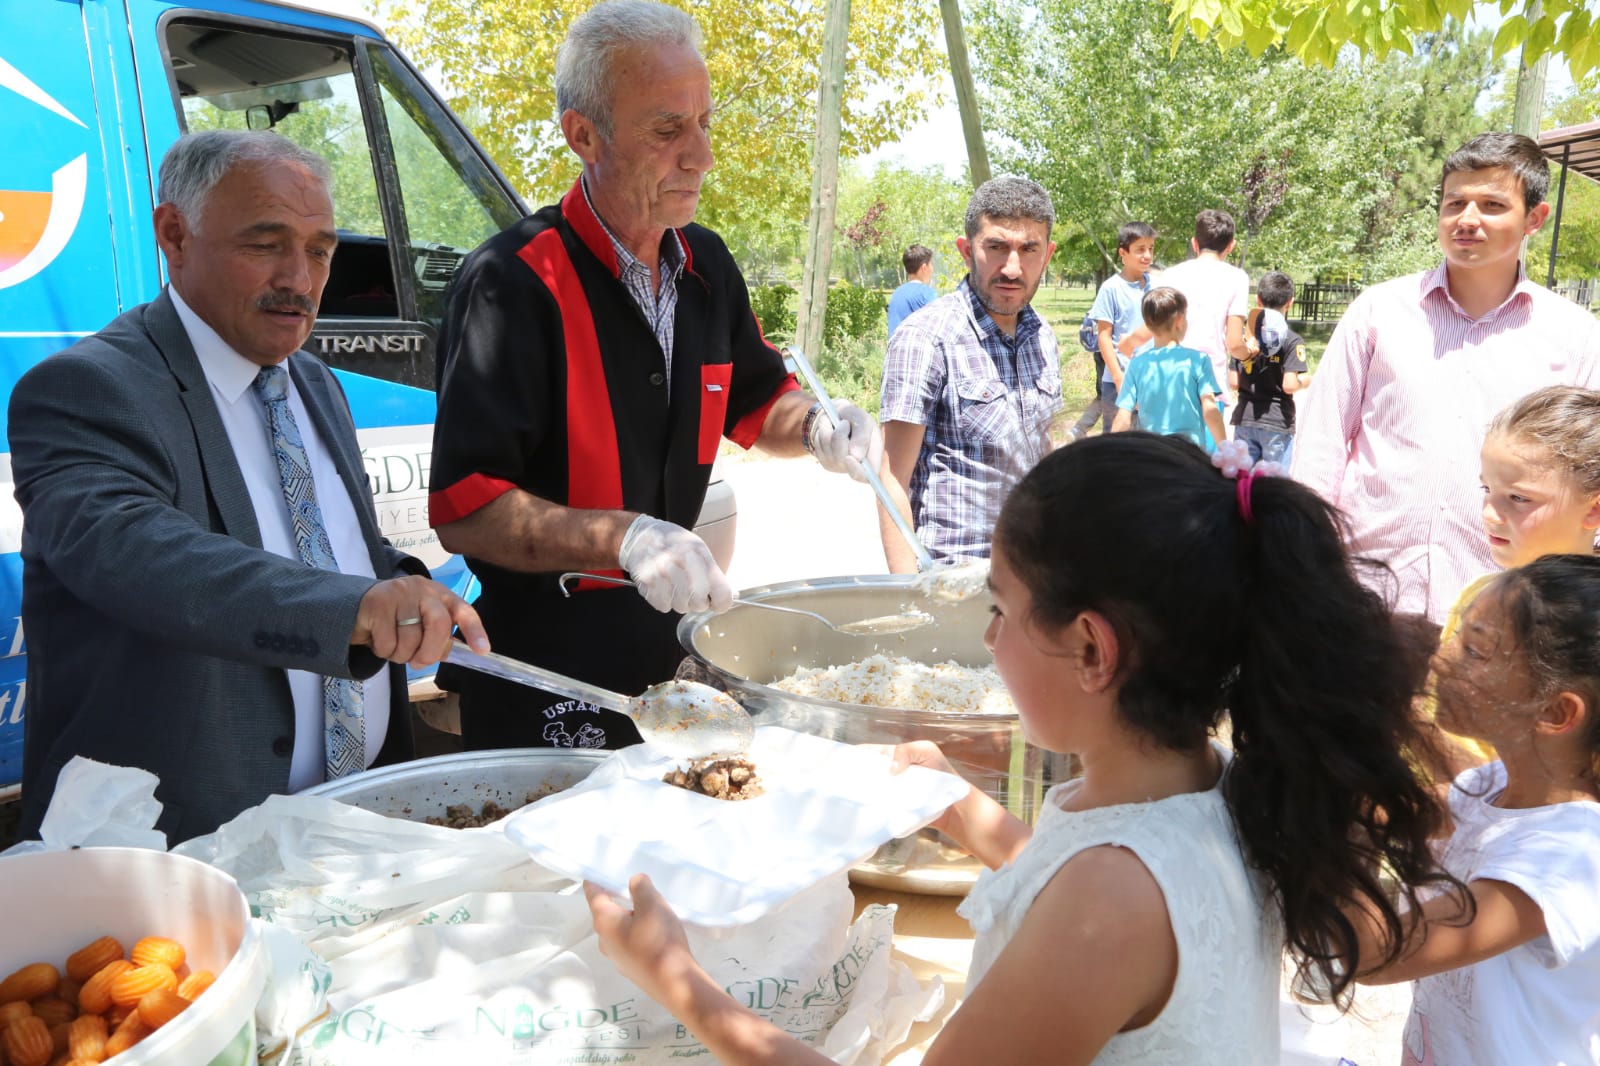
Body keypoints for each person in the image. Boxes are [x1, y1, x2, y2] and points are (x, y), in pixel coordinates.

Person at [587, 433, 1463, 1064]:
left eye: (999, 611)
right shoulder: (1210, 783)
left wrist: (678, 981)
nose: (990, 639)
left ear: (1092, 650)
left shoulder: (1110, 903)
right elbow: (1097, 884)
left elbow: (1104, 911)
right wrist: (965, 810)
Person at [6, 130, 487, 844]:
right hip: (179, 858)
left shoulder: (314, 382)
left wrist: (404, 584)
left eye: (321, 250)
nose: (300, 277)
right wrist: (352, 606)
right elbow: (139, 554)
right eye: (266, 244)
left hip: (354, 826)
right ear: (174, 234)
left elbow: (335, 547)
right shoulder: (86, 388)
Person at [427, 0, 881, 752]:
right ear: (584, 136)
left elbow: (757, 401)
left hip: (669, 659)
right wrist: (622, 537)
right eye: (668, 130)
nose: (700, 156)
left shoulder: (705, 265)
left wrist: (818, 426)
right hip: (548, 675)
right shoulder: (514, 283)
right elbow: (465, 509)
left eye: (704, 124)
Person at [1292, 132, 1600, 622]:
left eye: (1493, 204)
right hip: (1366, 591)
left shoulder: (1576, 337)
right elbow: (1321, 443)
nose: (1468, 219)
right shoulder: (1379, 312)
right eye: (1455, 202)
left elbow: (1589, 473)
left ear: (1534, 220)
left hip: (1502, 610)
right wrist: (1302, 559)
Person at [1353, 555, 1600, 1066]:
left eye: (1474, 650)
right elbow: (1397, 811)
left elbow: (1373, 954)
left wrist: (1335, 791)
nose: (1442, 659)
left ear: (1556, 711)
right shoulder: (1489, 785)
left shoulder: (1571, 857)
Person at [876, 176, 1063, 573]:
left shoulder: (1044, 338)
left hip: (1033, 575)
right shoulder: (926, 338)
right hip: (954, 581)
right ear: (965, 251)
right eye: (996, 247)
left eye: (1028, 249)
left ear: (1047, 255)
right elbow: (893, 478)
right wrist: (908, 599)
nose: (1012, 267)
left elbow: (1045, 449)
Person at [1426, 385, 1600, 775]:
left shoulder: (1592, 624)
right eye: (1487, 489)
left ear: (1594, 509)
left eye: (1518, 498)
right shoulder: (1477, 597)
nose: (1490, 513)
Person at [1138, 209, 1249, 416]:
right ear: (1231, 245)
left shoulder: (1171, 274)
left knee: (1167, 447)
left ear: (1194, 243)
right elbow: (1234, 344)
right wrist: (1250, 354)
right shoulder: (1237, 278)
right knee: (1202, 448)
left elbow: (1154, 326)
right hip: (1209, 385)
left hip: (1168, 379)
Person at [1111, 287, 1226, 451]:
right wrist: (1225, 447)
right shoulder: (1198, 361)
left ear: (1148, 325)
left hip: (1153, 453)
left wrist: (1110, 451)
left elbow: (1123, 416)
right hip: (1189, 454)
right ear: (1179, 320)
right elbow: (1209, 409)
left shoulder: (1137, 364)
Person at [1071, 221, 1155, 439]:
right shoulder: (1111, 288)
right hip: (1119, 379)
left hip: (1151, 380)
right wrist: (1119, 379)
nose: (1147, 255)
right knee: (1118, 447)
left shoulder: (1154, 287)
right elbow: (1104, 337)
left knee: (1149, 448)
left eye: (1150, 248)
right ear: (1123, 253)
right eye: (1140, 250)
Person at [1229, 270, 1308, 465]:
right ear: (1290, 302)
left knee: (1242, 481)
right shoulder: (1292, 340)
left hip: (1245, 417)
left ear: (1258, 300)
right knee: (1274, 485)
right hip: (1277, 421)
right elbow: (1289, 385)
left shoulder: (1245, 337)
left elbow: (1233, 382)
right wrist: (1305, 381)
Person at [886, 244, 937, 336]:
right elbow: (937, 328)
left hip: (894, 348)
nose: (932, 269)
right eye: (931, 264)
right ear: (924, 267)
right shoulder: (927, 294)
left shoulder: (897, 293)